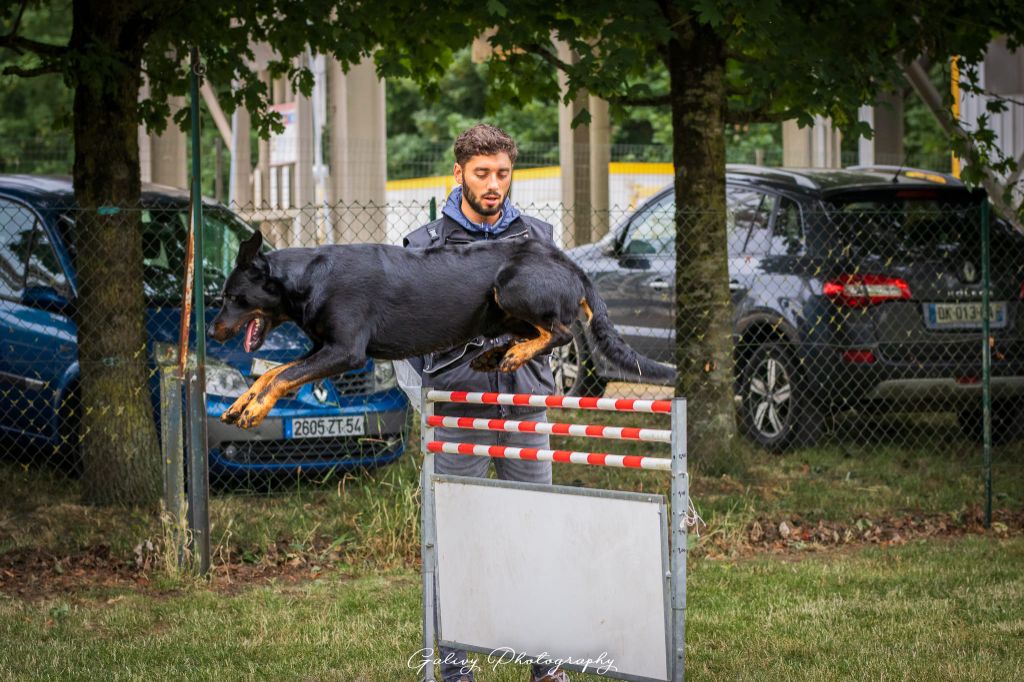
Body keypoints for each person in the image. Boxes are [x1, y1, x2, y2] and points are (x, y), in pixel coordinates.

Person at [400, 124, 569, 682]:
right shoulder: (423, 245)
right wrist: (421, 398)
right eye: (482, 174)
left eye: (502, 174)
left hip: (524, 408)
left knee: (534, 534)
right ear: (458, 174)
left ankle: (544, 666)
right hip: (457, 410)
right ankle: (453, 668)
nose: (493, 184)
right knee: (457, 539)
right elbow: (400, 333)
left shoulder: (539, 238)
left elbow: (559, 315)